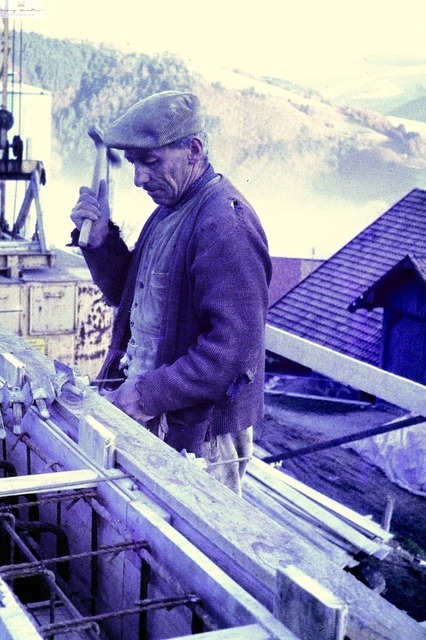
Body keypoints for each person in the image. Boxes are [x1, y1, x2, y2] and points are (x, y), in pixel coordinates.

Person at [70, 90, 272, 495]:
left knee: (187, 531)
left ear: (193, 150)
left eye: (151, 162)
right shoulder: (169, 211)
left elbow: (233, 353)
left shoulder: (225, 226)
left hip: (201, 438)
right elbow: (132, 298)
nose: (139, 178)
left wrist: (146, 395)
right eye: (133, 163)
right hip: (155, 413)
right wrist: (102, 239)